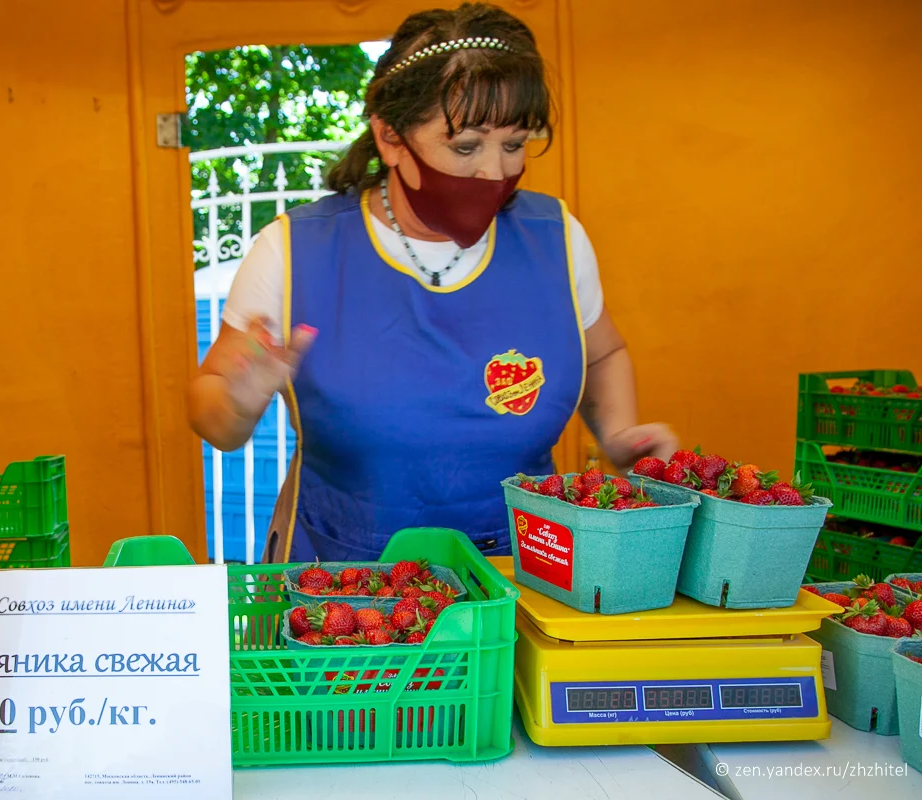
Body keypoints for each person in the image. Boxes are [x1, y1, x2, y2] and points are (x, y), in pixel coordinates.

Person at [188, 2, 678, 563]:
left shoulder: (557, 238)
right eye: (466, 147)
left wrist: (617, 436)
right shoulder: (293, 250)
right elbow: (213, 418)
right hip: (341, 587)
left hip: (518, 576)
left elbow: (604, 352)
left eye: (514, 145)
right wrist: (239, 400)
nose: (495, 172)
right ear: (391, 138)